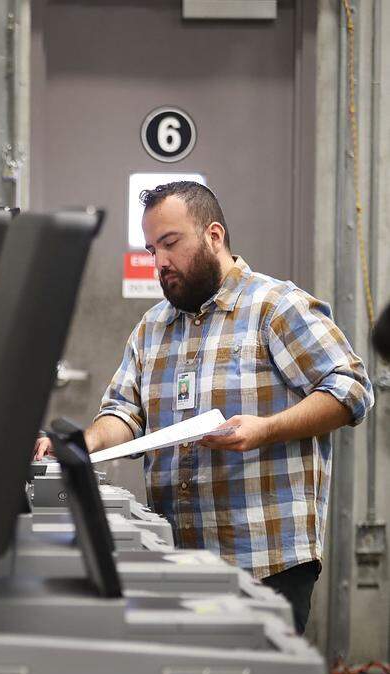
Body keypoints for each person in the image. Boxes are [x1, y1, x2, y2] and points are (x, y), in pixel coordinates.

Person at [34, 181, 374, 635]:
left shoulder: (274, 307)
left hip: (265, 561)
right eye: (152, 250)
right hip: (178, 557)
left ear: (213, 236)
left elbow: (351, 388)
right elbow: (124, 414)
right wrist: (82, 443)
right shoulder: (153, 327)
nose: (160, 263)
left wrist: (267, 429)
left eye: (170, 244)